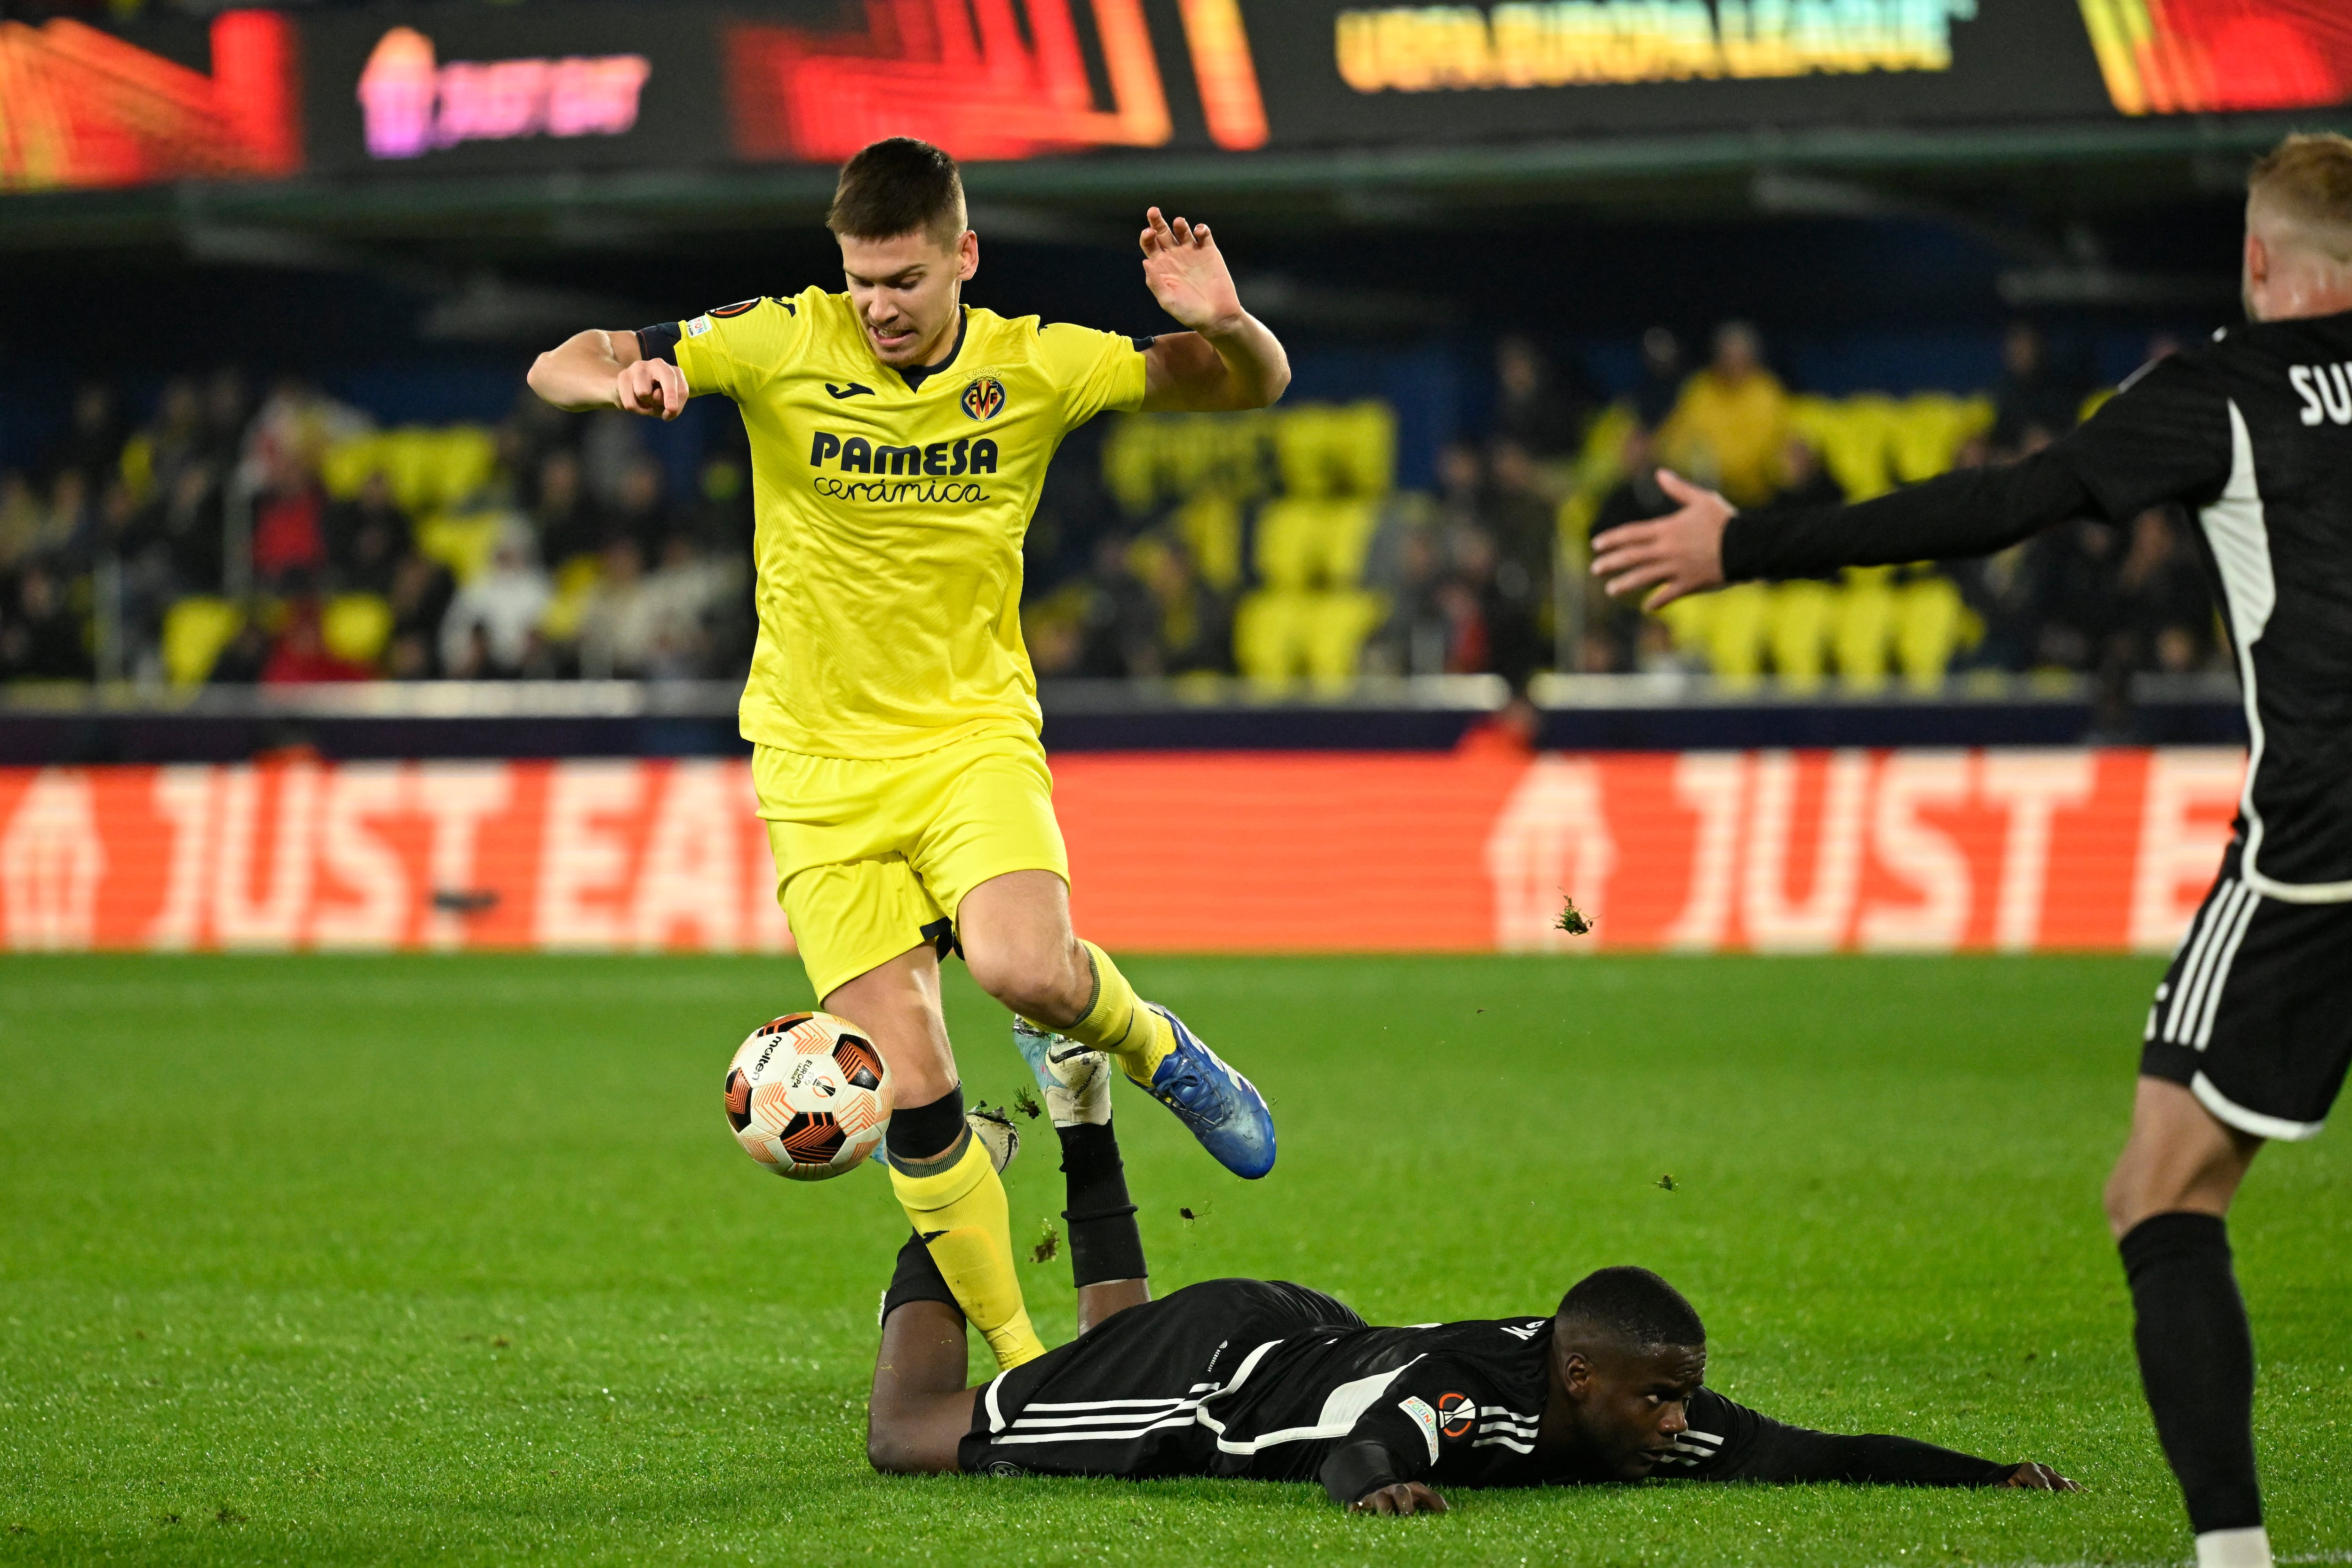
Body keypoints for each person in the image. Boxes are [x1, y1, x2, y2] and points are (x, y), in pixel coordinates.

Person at [1588, 132, 2352, 1568]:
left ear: (2256, 260)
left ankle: (2236, 1558)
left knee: (2161, 1192)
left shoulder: (2221, 394)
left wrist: (1746, 550)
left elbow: (2001, 506)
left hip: (2324, 842)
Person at [526, 136, 1287, 1375]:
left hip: (969, 740)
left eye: (903, 279)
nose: (877, 305)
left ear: (962, 259)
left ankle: (1161, 1049)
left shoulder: (1038, 364)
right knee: (914, 1092)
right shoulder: (774, 339)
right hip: (816, 773)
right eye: (861, 279)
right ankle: (1030, 1360)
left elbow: (1249, 384)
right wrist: (616, 386)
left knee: (1025, 972)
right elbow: (567, 356)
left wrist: (1231, 318)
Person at [866, 1026, 2079, 1511]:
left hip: (1303, 1331)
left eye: (1681, 1394)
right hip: (1227, 1379)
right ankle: (947, 1190)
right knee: (914, 1430)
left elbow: (1814, 1454)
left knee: (1087, 1365)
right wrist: (1379, 1494)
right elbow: (1364, 1454)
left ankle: (1083, 1116)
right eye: (1658, 1397)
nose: (1679, 1418)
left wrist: (1988, 1477)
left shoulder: (1633, 1407)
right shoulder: (1471, 1397)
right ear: (1579, 1375)